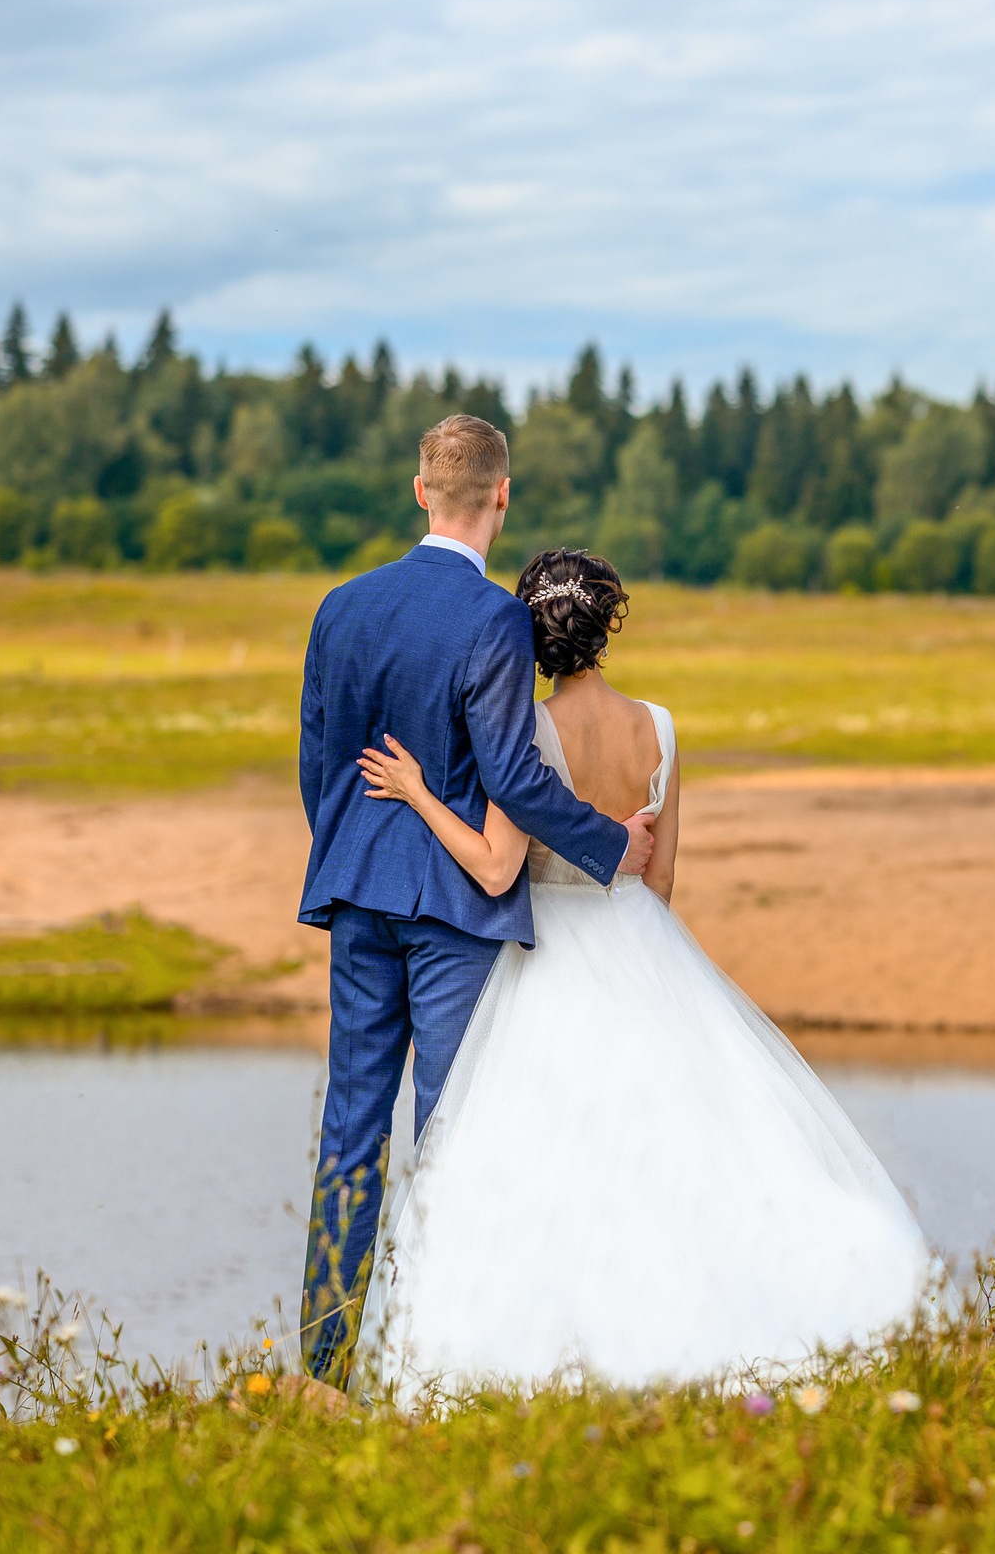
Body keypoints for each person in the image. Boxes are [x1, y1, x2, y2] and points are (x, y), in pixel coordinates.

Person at [352, 548, 930, 1392]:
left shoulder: (529, 732)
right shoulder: (659, 725)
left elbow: (493, 868)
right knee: (675, 1151)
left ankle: (542, 1361)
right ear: (606, 624)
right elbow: (659, 881)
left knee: (539, 1158)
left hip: (547, 955)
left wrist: (415, 791)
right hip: (644, 949)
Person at [294, 415, 656, 1388]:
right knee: (452, 1132)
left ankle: (323, 1368)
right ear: (503, 494)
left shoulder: (341, 606)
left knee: (350, 1134)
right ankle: (433, 1366)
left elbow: (317, 768)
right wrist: (610, 843)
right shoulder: (495, 619)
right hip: (455, 911)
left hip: (357, 895)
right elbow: (513, 777)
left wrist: (358, 851)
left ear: (420, 491)